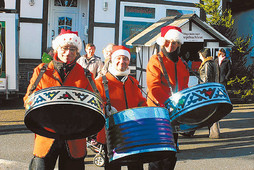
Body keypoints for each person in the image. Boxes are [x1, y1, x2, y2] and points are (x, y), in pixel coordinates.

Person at [23, 29, 96, 170]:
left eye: (73, 49)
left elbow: (94, 103)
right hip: (46, 134)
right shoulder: (42, 71)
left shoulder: (85, 74)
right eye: (65, 48)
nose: (68, 53)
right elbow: (28, 98)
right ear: (57, 48)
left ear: (77, 51)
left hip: (75, 136)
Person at [95, 45, 147, 170]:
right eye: (118, 58)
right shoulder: (100, 82)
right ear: (112, 60)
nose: (122, 62)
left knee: (136, 167)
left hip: (134, 131)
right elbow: (95, 107)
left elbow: (141, 102)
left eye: (125, 59)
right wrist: (105, 110)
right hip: (111, 134)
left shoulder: (133, 82)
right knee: (113, 167)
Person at [146, 26, 189, 170]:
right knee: (158, 154)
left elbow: (184, 88)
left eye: (175, 42)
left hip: (174, 113)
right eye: (168, 42)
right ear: (162, 42)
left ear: (179, 44)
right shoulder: (155, 60)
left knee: (171, 153)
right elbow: (154, 87)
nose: (171, 45)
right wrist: (170, 104)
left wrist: (182, 104)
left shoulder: (182, 64)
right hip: (158, 112)